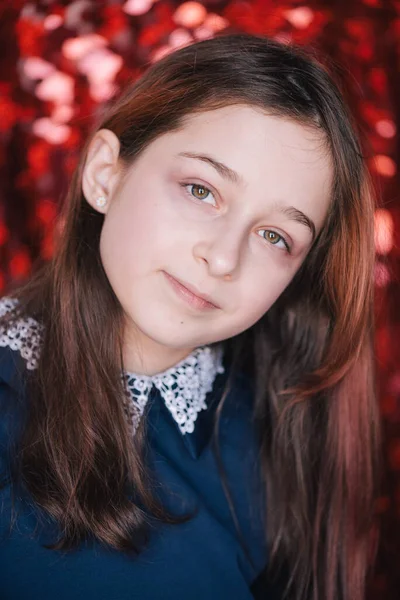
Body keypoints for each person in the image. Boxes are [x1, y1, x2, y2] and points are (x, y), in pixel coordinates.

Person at [0, 33, 379, 600]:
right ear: (107, 173)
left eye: (275, 235)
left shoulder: (282, 433)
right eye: (201, 190)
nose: (223, 258)